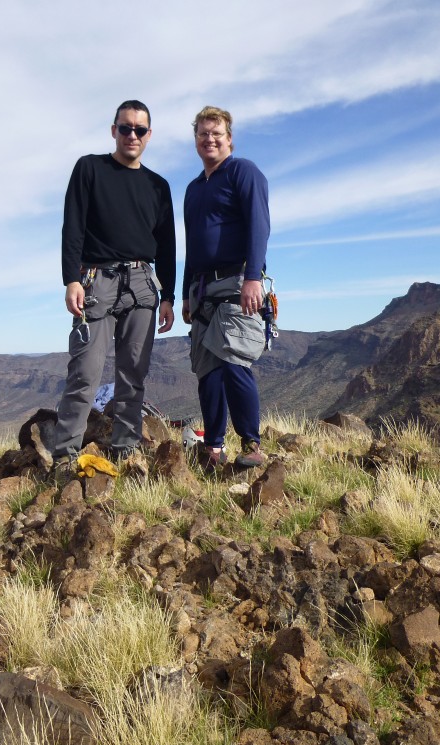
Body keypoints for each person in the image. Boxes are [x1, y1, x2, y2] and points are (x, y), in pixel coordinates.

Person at [51, 99, 176, 475]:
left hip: (142, 283)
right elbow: (72, 226)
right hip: (96, 281)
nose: (132, 135)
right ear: (114, 130)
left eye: (140, 129)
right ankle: (65, 457)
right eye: (126, 128)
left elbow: (168, 244)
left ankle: (124, 449)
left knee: (132, 374)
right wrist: (71, 278)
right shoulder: (90, 168)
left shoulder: (157, 186)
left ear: (149, 135)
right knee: (85, 372)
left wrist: (168, 295)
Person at [181, 106, 270, 472]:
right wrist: (187, 292)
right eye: (203, 133)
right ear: (196, 140)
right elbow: (193, 245)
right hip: (203, 291)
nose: (209, 139)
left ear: (229, 138)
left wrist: (253, 277)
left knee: (234, 361)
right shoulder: (193, 189)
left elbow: (258, 225)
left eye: (216, 133)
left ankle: (251, 442)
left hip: (237, 281)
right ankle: (213, 447)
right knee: (208, 372)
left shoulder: (243, 171)